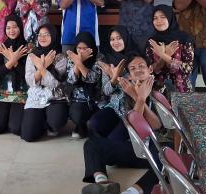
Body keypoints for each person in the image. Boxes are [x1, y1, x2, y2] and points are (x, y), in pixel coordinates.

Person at [81, 54, 162, 194]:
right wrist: (135, 95)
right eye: (133, 68)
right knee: (91, 143)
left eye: (141, 66)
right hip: (132, 147)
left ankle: (131, 192)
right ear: (129, 74)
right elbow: (133, 126)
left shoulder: (161, 89)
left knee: (165, 163)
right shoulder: (125, 90)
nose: (138, 70)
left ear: (150, 69)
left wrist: (140, 98)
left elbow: (156, 125)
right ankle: (103, 184)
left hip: (151, 149)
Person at [20, 24, 69, 142]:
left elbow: (54, 84)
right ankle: (41, 122)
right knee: (28, 136)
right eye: (40, 35)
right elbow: (30, 81)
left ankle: (50, 124)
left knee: (56, 122)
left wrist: (41, 67)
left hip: (54, 96)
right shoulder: (32, 56)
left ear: (54, 36)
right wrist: (44, 66)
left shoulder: (61, 57)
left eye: (46, 35)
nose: (42, 37)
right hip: (36, 96)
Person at [0, 14, 29, 135]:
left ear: (20, 27)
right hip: (2, 94)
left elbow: (27, 74)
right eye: (8, 28)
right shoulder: (0, 47)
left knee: (15, 128)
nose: (11, 30)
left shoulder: (28, 48)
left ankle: (12, 117)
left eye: (15, 27)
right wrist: (12, 61)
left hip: (22, 94)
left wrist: (14, 62)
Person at [89, 26, 131, 138]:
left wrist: (114, 75)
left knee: (114, 139)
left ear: (126, 38)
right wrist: (113, 79)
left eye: (119, 38)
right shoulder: (108, 60)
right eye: (112, 39)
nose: (115, 42)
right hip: (114, 107)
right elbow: (106, 91)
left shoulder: (135, 59)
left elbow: (134, 86)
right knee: (95, 123)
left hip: (131, 108)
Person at [148, 5, 194, 94]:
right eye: (155, 18)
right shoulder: (152, 41)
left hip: (181, 89)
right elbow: (151, 70)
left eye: (163, 17)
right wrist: (164, 57)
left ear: (170, 18)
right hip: (157, 90)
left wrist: (163, 55)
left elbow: (187, 69)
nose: (159, 21)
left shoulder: (184, 39)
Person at [66, 31, 101, 138]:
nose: (81, 52)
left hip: (97, 98)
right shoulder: (72, 58)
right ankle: (81, 125)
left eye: (85, 48)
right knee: (78, 115)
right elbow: (71, 80)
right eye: (79, 48)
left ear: (91, 47)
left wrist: (79, 62)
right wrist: (77, 62)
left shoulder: (99, 58)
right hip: (79, 99)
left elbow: (92, 79)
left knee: (98, 127)